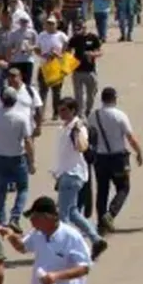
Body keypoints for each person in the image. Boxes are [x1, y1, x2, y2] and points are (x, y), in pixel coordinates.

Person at [50, 97, 108, 259]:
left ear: (73, 110)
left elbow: (82, 147)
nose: (61, 113)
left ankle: (66, 250)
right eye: (59, 110)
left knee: (63, 216)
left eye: (64, 110)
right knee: (73, 212)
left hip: (72, 174)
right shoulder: (65, 126)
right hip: (66, 174)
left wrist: (77, 133)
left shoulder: (78, 127)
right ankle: (96, 240)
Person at [87, 87, 142, 235]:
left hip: (100, 157)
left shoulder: (93, 115)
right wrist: (138, 151)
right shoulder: (120, 115)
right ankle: (110, 214)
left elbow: (90, 136)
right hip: (118, 157)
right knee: (123, 188)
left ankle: (101, 224)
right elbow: (130, 137)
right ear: (114, 99)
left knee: (102, 191)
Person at [0, 88, 36, 228]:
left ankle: (1, 221)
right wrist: (32, 162)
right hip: (17, 157)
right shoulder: (20, 118)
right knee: (23, 189)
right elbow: (28, 141)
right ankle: (15, 217)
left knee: (0, 191)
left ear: (1, 99)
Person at [66, 19, 102, 118]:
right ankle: (80, 113)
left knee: (91, 93)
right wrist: (69, 58)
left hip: (90, 71)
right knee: (78, 95)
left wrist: (92, 54)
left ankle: (88, 110)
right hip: (77, 71)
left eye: (81, 28)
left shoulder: (93, 37)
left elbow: (100, 51)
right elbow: (68, 51)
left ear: (85, 27)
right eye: (77, 28)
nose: (79, 30)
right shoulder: (74, 38)